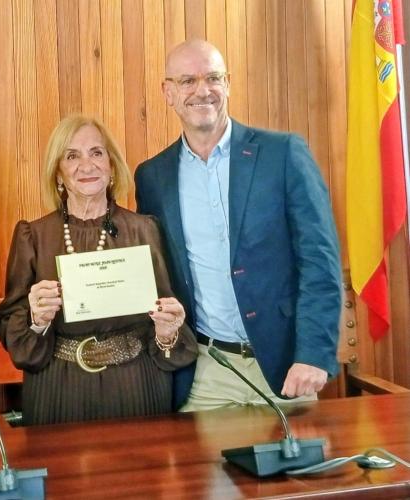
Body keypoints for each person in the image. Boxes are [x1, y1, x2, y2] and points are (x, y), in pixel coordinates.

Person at [135, 39, 341, 412]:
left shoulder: (282, 153)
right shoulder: (153, 177)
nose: (202, 90)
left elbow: (320, 261)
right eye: (187, 81)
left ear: (227, 83)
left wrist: (313, 353)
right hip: (206, 373)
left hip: (287, 368)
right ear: (168, 93)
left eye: (213, 78)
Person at [0, 115, 197, 425]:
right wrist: (36, 320)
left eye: (96, 153)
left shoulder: (145, 230)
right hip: (58, 390)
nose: (86, 165)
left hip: (137, 385)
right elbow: (13, 328)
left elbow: (171, 314)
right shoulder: (32, 236)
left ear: (111, 165)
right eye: (72, 156)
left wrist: (168, 332)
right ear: (58, 173)